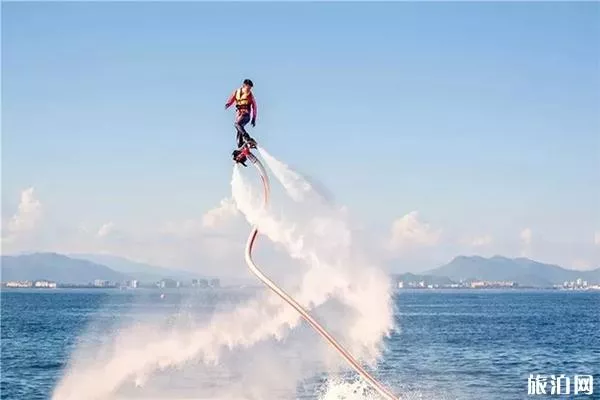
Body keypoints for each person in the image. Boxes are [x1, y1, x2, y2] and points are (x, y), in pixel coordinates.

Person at [225, 79, 258, 149]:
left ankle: (247, 138)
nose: (249, 89)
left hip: (246, 115)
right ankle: (241, 146)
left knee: (237, 124)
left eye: (250, 88)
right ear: (244, 85)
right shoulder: (237, 92)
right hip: (239, 115)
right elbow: (232, 98)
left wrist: (254, 118)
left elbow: (255, 107)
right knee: (239, 130)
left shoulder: (250, 96)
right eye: (248, 88)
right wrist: (228, 104)